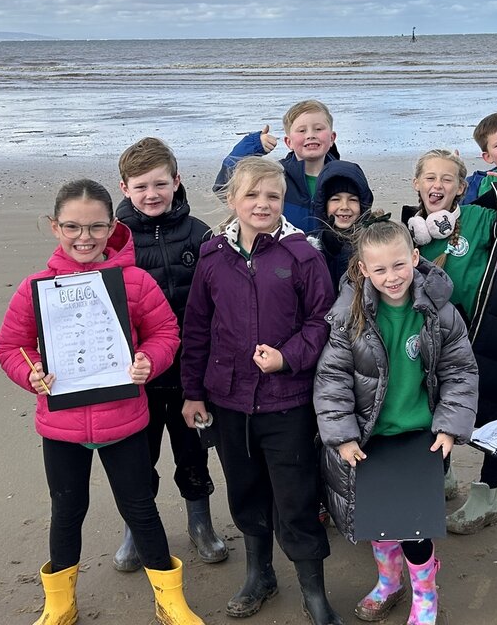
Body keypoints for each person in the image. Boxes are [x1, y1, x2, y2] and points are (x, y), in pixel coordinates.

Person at [0, 179, 204, 625]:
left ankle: (170, 601)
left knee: (140, 508)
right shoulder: (37, 287)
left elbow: (166, 333)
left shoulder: (135, 281)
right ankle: (60, 603)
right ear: (54, 227)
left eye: (95, 227)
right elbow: (11, 345)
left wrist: (149, 359)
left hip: (125, 420)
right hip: (61, 427)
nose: (84, 237)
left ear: (112, 227)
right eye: (72, 227)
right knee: (67, 511)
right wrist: (30, 373)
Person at [179, 156, 343, 625]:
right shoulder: (213, 256)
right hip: (229, 402)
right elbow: (197, 328)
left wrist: (288, 357)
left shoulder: (302, 255)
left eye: (272, 195)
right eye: (251, 195)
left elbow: (322, 322)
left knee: (295, 497)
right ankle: (259, 573)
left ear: (283, 200)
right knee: (245, 491)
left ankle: (314, 591)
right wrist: (193, 393)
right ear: (232, 200)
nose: (262, 204)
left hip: (287, 402)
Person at [314, 221, 478, 625]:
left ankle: (425, 590)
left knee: (415, 527)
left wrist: (448, 425)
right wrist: (343, 437)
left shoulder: (440, 312)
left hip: (421, 436)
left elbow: (460, 370)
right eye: (381, 269)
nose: (392, 277)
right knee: (379, 522)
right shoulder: (347, 317)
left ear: (415, 259)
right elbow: (332, 379)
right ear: (364, 270)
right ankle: (389, 582)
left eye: (399, 265)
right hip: (370, 437)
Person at [400, 148, 497, 532]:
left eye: (447, 179)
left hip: (493, 334)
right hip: (436, 345)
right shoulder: (407, 234)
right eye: (430, 177)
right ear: (416, 183)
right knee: (435, 412)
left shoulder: (481, 218)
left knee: (494, 416)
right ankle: (443, 477)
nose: (437, 185)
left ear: (461, 188)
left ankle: (487, 496)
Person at [110, 138, 229, 571]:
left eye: (160, 183)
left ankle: (201, 524)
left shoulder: (199, 234)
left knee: (193, 453)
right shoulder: (114, 240)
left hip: (189, 374)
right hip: (134, 375)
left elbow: (219, 298)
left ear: (176, 182)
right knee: (136, 459)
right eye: (140, 186)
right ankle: (135, 530)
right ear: (124, 188)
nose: (151, 194)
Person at [213, 99, 341, 231]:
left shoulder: (345, 176)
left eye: (318, 129)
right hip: (283, 249)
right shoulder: (277, 175)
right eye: (302, 130)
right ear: (288, 142)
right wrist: (253, 145)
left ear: (332, 138)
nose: (310, 135)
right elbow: (223, 185)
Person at [308, 158, 379, 290]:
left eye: (352, 199)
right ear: (323, 204)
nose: (344, 206)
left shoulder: (374, 241)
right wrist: (327, 248)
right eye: (335, 199)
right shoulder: (311, 246)